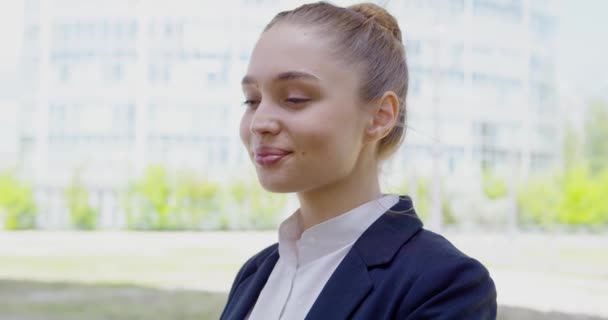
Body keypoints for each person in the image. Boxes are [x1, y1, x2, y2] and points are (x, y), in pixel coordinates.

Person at [220, 2, 497, 319]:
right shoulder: (256, 274)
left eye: (295, 98)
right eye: (252, 100)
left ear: (380, 116)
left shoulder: (442, 283)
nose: (260, 122)